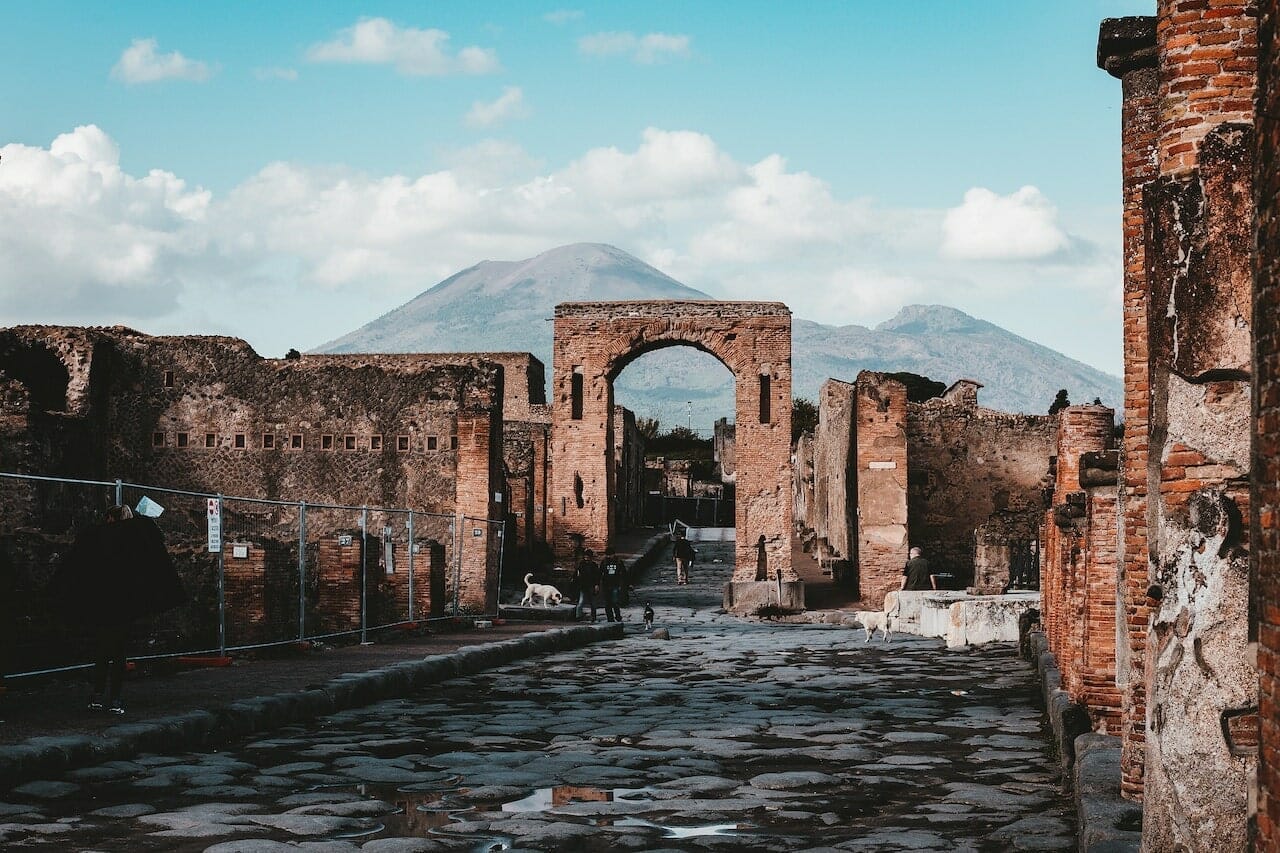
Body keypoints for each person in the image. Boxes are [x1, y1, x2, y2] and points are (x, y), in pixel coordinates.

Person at [57, 503, 183, 715]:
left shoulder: (97, 538)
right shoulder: (137, 541)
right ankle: (115, 699)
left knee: (102, 652)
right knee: (118, 655)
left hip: (102, 606)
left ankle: (97, 696)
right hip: (125, 607)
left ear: (110, 518)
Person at [598, 546, 627, 623]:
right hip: (606, 585)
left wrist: (626, 584)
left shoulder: (619, 562)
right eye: (607, 555)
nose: (608, 557)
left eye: (610, 555)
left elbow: (624, 573)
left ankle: (617, 616)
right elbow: (600, 573)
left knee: (615, 602)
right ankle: (610, 618)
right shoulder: (604, 562)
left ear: (613, 554)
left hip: (615, 584)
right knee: (607, 603)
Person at [572, 548, 600, 622]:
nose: (586, 559)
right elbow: (577, 575)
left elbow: (597, 576)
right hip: (583, 586)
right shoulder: (581, 565)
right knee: (581, 602)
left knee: (593, 603)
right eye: (585, 557)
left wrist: (597, 585)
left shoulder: (594, 565)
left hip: (591, 586)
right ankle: (578, 616)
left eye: (588, 557)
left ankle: (593, 617)